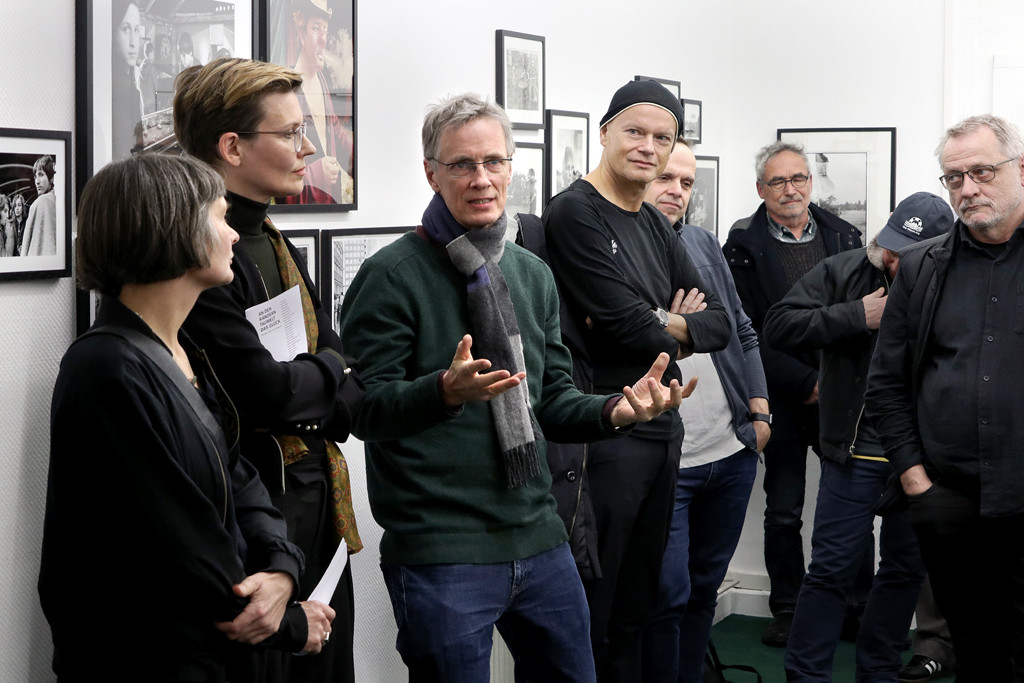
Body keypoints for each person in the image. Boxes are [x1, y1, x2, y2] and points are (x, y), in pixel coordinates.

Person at [338, 92, 688, 682]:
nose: (481, 179)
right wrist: (443, 392)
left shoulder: (531, 272)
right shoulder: (391, 276)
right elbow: (365, 411)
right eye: (462, 165)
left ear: (511, 166)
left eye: (494, 162)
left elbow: (550, 400)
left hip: (539, 534)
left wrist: (616, 413)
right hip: (442, 551)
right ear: (431, 173)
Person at [38, 153, 334, 682]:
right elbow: (178, 547)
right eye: (220, 218)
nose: (235, 236)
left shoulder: (185, 349)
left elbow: (239, 477)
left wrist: (284, 571)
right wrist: (289, 624)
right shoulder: (105, 369)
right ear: (174, 228)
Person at [174, 57, 365, 683]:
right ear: (232, 147)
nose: (308, 146)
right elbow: (269, 393)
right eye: (289, 133)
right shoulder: (197, 255)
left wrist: (324, 375)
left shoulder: (272, 235)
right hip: (255, 514)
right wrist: (328, 372)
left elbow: (337, 371)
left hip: (314, 502)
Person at [543, 80, 732, 681]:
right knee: (598, 611)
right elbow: (628, 330)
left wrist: (658, 319)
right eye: (635, 132)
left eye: (663, 138)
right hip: (608, 432)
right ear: (605, 133)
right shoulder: (574, 212)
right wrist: (672, 319)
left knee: (639, 605)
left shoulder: (652, 220)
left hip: (662, 428)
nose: (648, 147)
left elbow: (721, 324)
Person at [765, 192, 954, 682]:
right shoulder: (846, 270)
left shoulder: (956, 279)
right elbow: (778, 325)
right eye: (890, 248)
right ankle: (806, 677)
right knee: (829, 573)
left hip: (918, 459)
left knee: (903, 574)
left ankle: (879, 673)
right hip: (853, 455)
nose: (893, 260)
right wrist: (855, 316)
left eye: (908, 254)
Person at [865, 113, 1024, 681]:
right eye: (954, 178)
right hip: (949, 502)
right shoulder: (922, 267)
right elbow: (885, 381)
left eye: (982, 171)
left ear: (1020, 169)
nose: (968, 188)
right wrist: (914, 480)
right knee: (978, 658)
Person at [638, 139, 770, 683]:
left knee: (701, 594)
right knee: (664, 598)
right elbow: (619, 340)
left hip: (731, 451)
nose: (677, 192)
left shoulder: (701, 241)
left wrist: (760, 411)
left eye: (687, 183)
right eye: (666, 178)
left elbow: (738, 325)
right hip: (669, 461)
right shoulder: (610, 249)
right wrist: (668, 324)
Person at [723, 141, 862, 646]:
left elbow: (857, 316)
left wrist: (833, 382)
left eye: (799, 178)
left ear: (811, 182)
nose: (791, 189)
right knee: (783, 511)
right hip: (782, 398)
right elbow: (750, 332)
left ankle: (855, 607)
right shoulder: (740, 246)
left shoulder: (844, 234)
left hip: (841, 396)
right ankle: (787, 608)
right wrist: (806, 384)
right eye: (778, 181)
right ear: (761, 189)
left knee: (850, 504)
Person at [277, 0, 354, 205]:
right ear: (301, 34)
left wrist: (361, 159)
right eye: (315, 28)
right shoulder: (287, 91)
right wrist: (317, 173)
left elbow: (334, 128)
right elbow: (278, 174)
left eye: (325, 30)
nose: (323, 39)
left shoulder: (321, 81)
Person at [111, 0, 144, 158]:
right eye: (125, 29)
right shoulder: (114, 86)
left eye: (136, 30)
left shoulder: (129, 81)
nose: (133, 42)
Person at [21, 155, 57, 256]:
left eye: (41, 175)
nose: (37, 181)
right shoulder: (56, 201)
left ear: (51, 178)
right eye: (35, 176)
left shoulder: (41, 202)